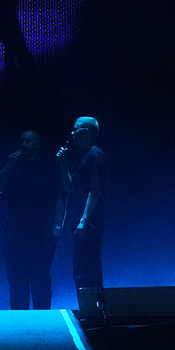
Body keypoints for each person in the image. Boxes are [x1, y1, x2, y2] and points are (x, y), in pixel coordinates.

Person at [0, 129, 66, 309]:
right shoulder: (14, 166)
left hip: (41, 232)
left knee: (40, 277)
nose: (24, 145)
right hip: (14, 233)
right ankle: (19, 324)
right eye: (22, 141)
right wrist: (8, 165)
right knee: (16, 280)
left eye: (28, 141)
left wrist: (57, 225)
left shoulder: (48, 166)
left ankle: (43, 321)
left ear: (37, 144)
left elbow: (60, 198)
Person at [57, 116, 107, 297]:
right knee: (80, 268)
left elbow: (95, 190)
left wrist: (84, 221)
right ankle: (89, 308)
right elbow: (69, 187)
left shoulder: (95, 155)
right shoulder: (84, 156)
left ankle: (95, 310)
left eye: (75, 129)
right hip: (80, 221)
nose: (72, 132)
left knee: (88, 267)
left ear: (85, 132)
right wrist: (63, 163)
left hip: (89, 223)